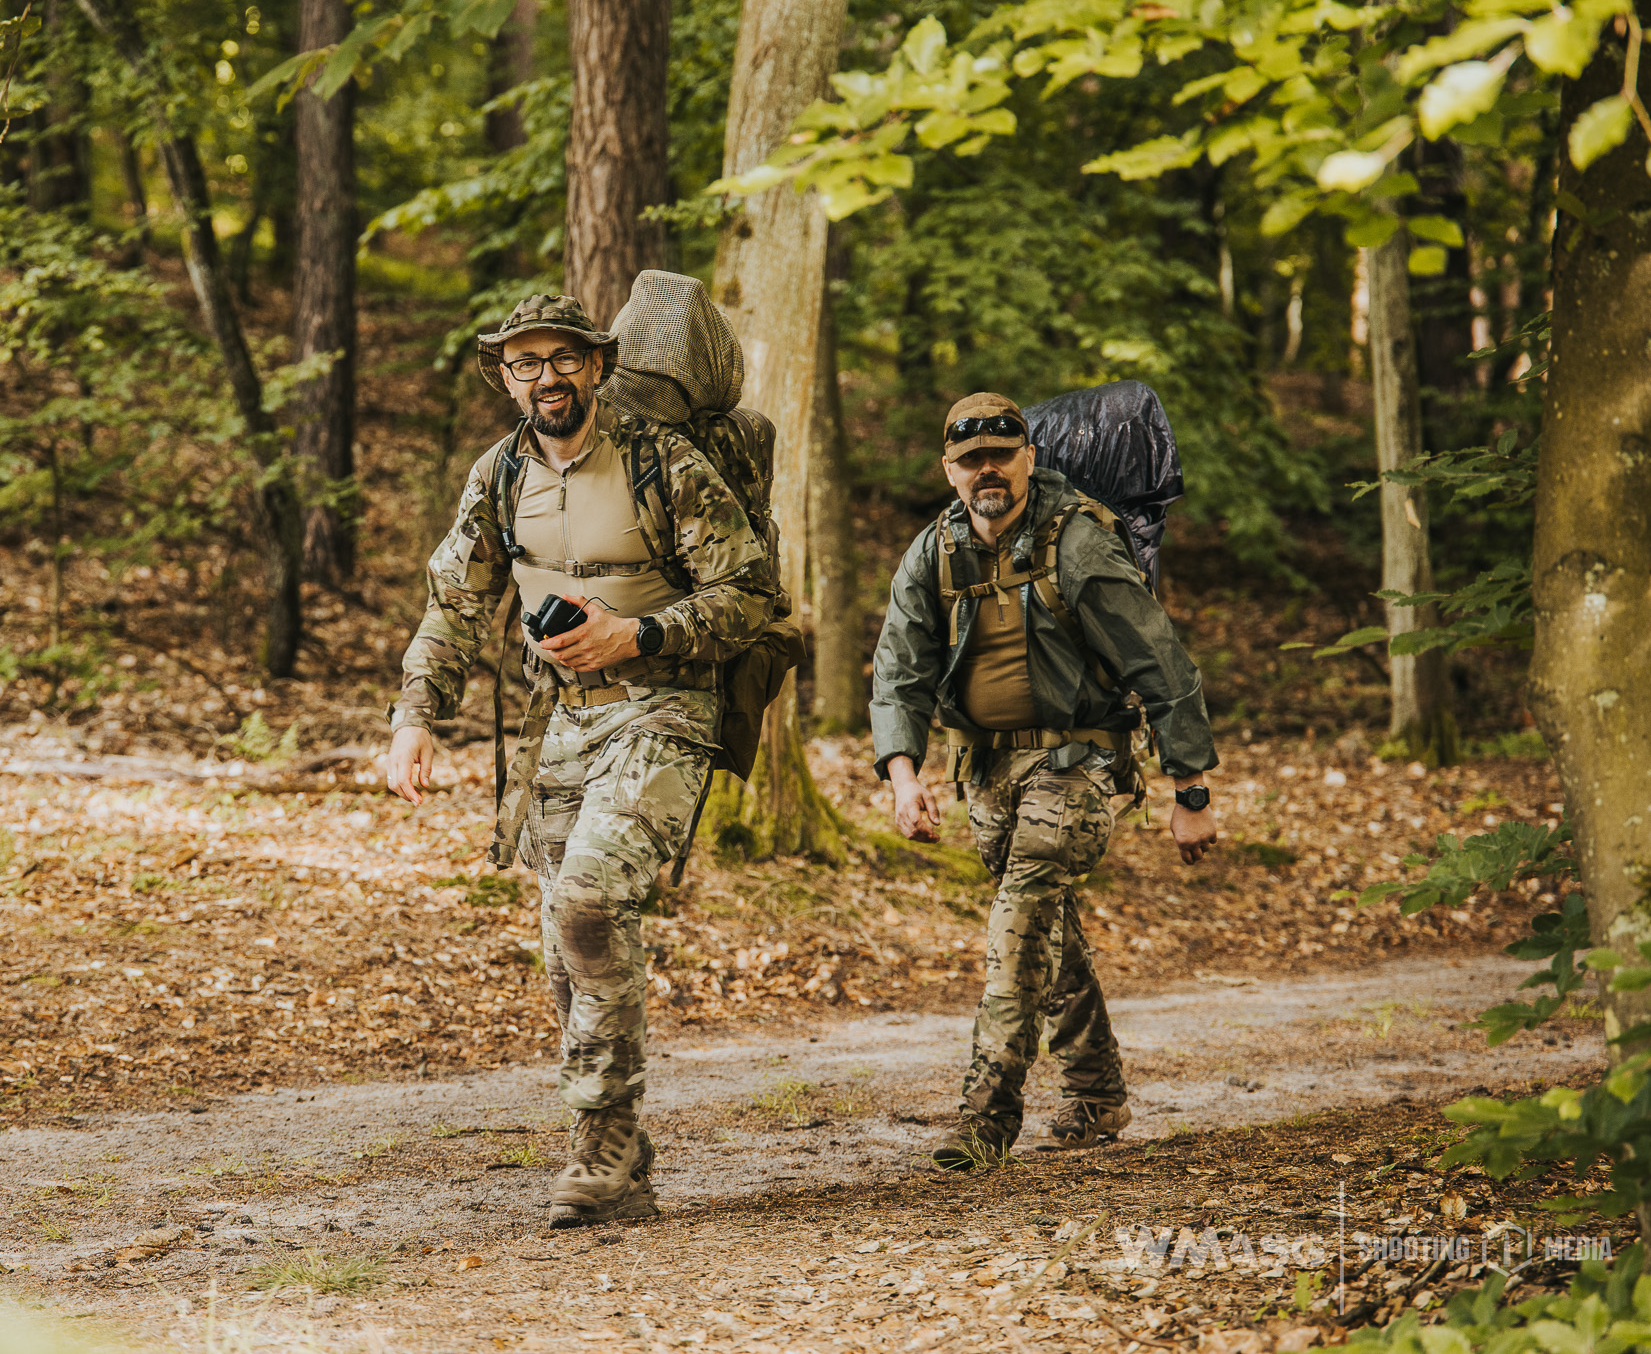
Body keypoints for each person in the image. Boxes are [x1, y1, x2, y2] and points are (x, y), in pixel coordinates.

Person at [383, 293, 779, 1225]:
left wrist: (637, 634)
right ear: (506, 377)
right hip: (558, 727)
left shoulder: (661, 460)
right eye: (525, 364)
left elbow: (751, 590)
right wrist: (414, 716)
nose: (545, 378)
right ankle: (629, 1152)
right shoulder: (498, 474)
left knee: (593, 901)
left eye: (562, 359)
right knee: (567, 950)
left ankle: (599, 1150)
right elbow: (455, 602)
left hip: (665, 709)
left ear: (596, 366)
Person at [870, 392, 1220, 1166]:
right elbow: (899, 669)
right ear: (950, 471)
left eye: (1002, 453)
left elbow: (1161, 663)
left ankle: (985, 1116)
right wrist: (904, 775)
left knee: (1022, 912)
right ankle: (1098, 1095)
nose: (986, 469)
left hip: (1078, 762)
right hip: (988, 772)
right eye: (971, 460)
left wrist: (1189, 790)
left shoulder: (1080, 542)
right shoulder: (934, 551)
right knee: (1047, 935)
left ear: (1030, 457)